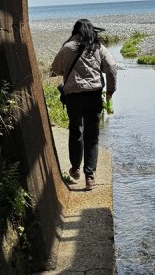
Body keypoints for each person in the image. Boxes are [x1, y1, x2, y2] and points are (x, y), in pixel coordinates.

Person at [51, 18, 118, 191]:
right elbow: (111, 67)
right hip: (94, 96)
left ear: (75, 31)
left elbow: (56, 69)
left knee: (76, 131)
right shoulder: (98, 47)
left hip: (73, 96)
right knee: (92, 136)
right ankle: (90, 177)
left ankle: (75, 169)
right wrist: (110, 91)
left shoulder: (67, 48)